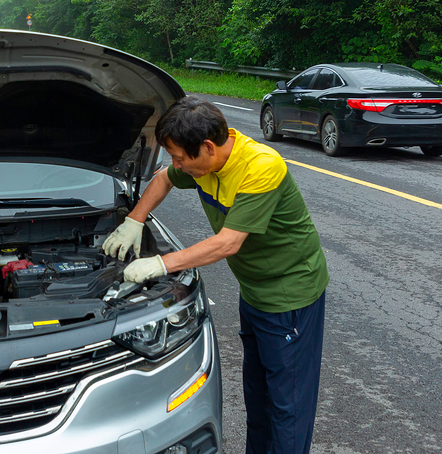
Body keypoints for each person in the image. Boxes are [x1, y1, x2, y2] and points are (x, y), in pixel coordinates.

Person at [102, 96, 329, 454]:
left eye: (180, 157)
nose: (177, 164)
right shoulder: (204, 163)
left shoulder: (260, 166)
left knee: (288, 405)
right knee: (257, 394)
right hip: (253, 290)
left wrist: (160, 264)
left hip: (290, 296)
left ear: (207, 147)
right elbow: (163, 179)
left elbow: (228, 243)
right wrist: (135, 219)